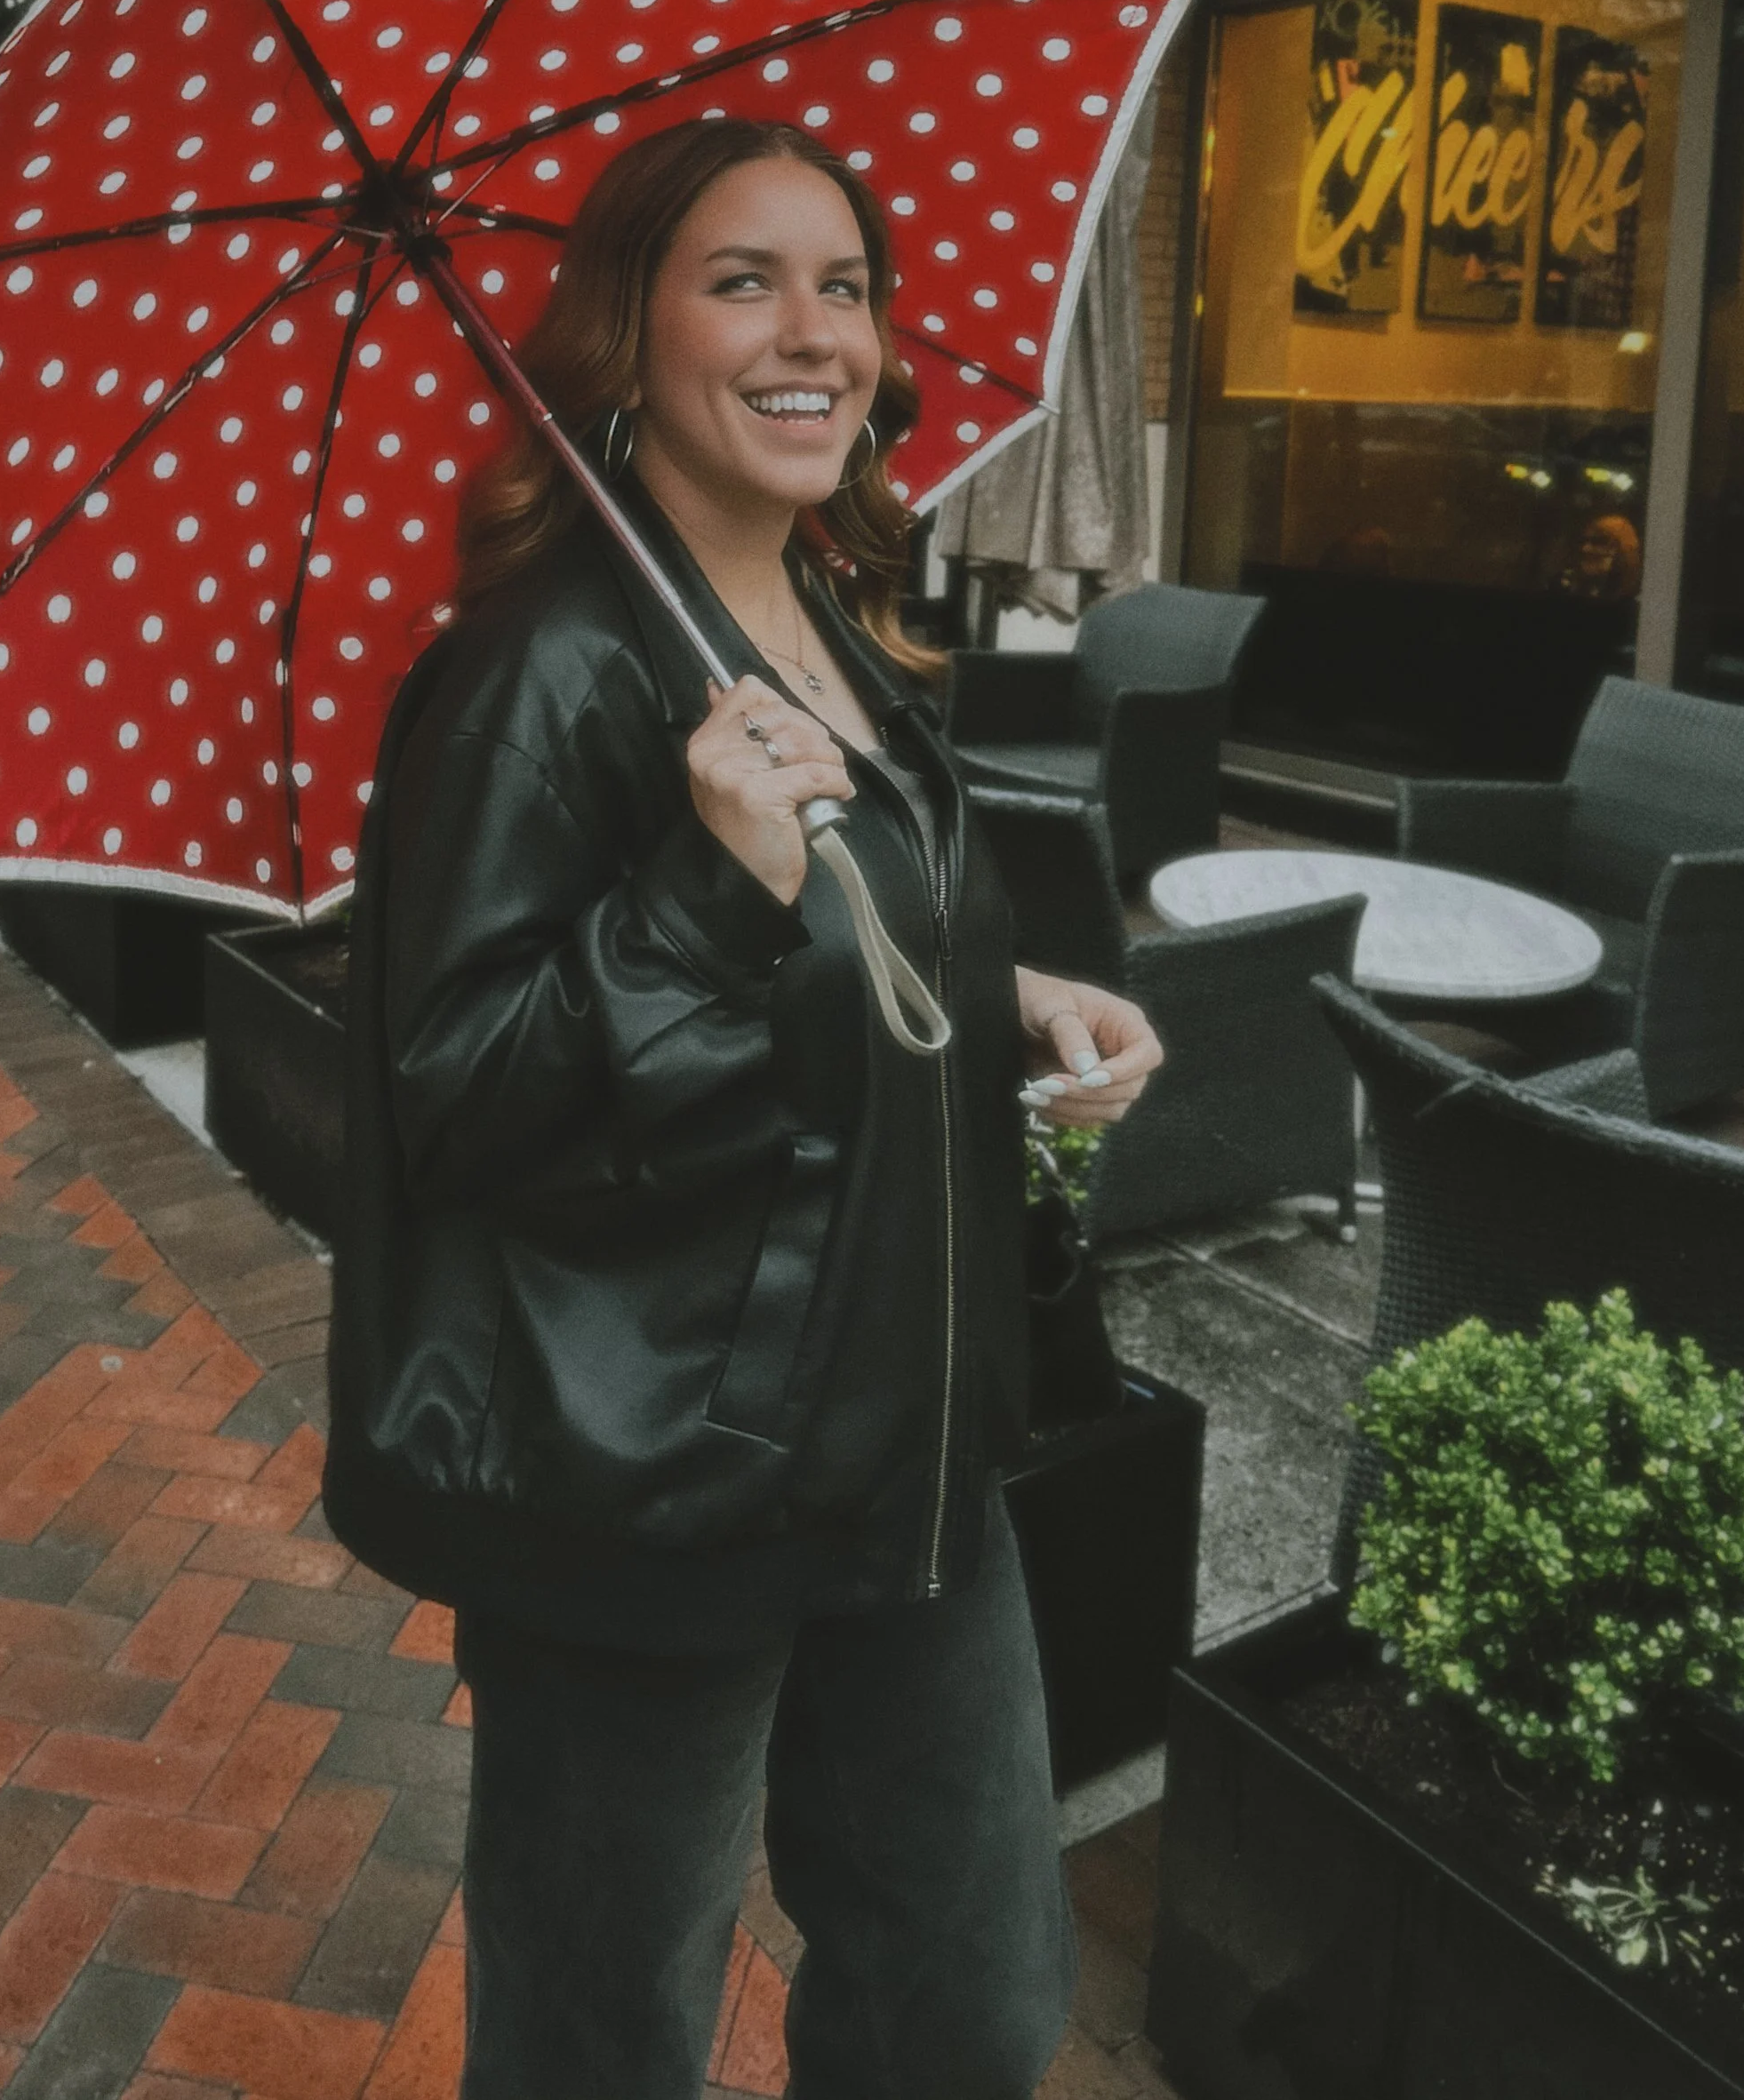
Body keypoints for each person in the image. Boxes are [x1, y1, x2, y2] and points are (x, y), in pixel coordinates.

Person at [323, 116, 1161, 2099]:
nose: (815, 331)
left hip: (917, 1444)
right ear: (622, 337)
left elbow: (852, 954)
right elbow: (448, 1100)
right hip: (657, 1479)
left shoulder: (842, 627)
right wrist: (700, 883)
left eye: (843, 282)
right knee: (601, 2023)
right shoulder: (532, 676)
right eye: (741, 279)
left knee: (963, 2001)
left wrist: (1012, 998)